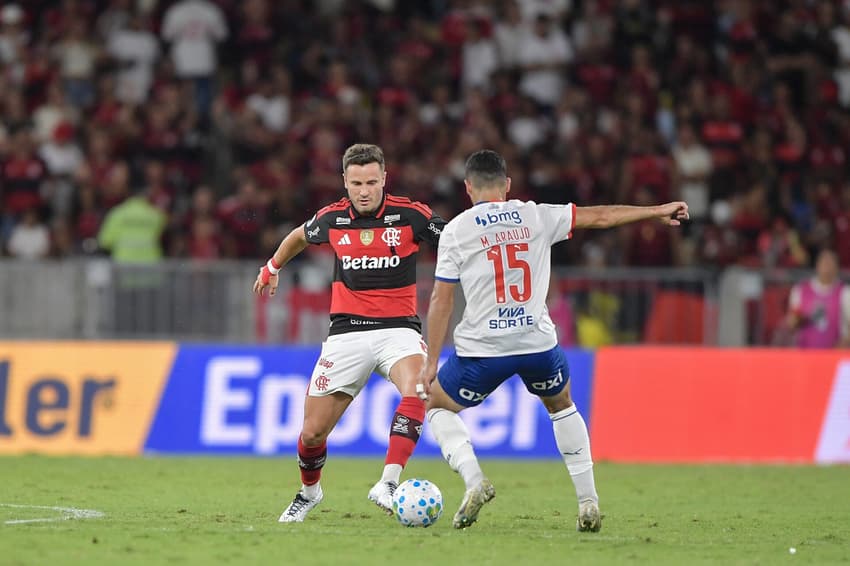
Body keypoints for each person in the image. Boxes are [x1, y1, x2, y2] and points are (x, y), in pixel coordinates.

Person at [417, 150, 689, 531]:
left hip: (484, 351)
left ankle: (475, 480)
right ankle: (588, 501)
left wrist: (431, 362)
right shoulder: (535, 214)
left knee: (436, 405)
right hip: (537, 343)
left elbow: (440, 299)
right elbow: (603, 216)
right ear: (507, 185)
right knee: (562, 406)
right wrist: (656, 211)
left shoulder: (457, 230)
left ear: (467, 188)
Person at [252, 143, 445, 522]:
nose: (364, 190)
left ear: (384, 179)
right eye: (356, 182)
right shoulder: (332, 219)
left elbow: (455, 237)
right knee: (311, 434)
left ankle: (388, 482)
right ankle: (309, 493)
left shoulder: (412, 216)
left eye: (372, 182)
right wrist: (272, 266)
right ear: (345, 181)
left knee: (420, 387)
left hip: (399, 330)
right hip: (346, 334)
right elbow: (298, 237)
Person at [784, 249, 850, 348]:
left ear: (837, 267)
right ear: (817, 265)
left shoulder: (845, 293)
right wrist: (796, 320)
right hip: (804, 354)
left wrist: (846, 342)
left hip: (834, 355)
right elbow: (792, 323)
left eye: (830, 263)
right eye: (824, 262)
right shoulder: (800, 290)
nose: (827, 266)